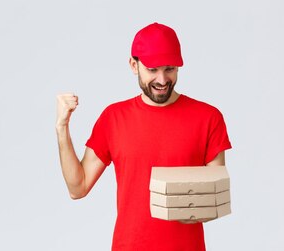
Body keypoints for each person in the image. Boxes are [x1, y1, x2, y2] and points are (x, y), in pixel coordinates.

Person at [55, 22, 232, 251]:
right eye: (152, 69)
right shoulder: (113, 118)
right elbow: (77, 188)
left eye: (170, 69)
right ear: (134, 65)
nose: (161, 80)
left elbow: (212, 201)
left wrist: (192, 206)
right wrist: (62, 127)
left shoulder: (208, 118)